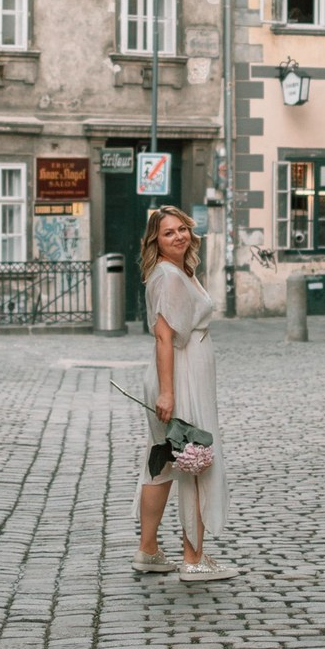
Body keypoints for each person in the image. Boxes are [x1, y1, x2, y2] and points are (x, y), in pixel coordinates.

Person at [132, 205, 237, 582]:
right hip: (180, 375)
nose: (178, 236)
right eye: (168, 232)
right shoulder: (169, 276)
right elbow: (164, 337)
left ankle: (148, 551)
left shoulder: (177, 271)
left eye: (181, 229)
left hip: (180, 372)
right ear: (155, 241)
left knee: (162, 462)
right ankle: (193, 558)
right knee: (195, 462)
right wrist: (167, 393)